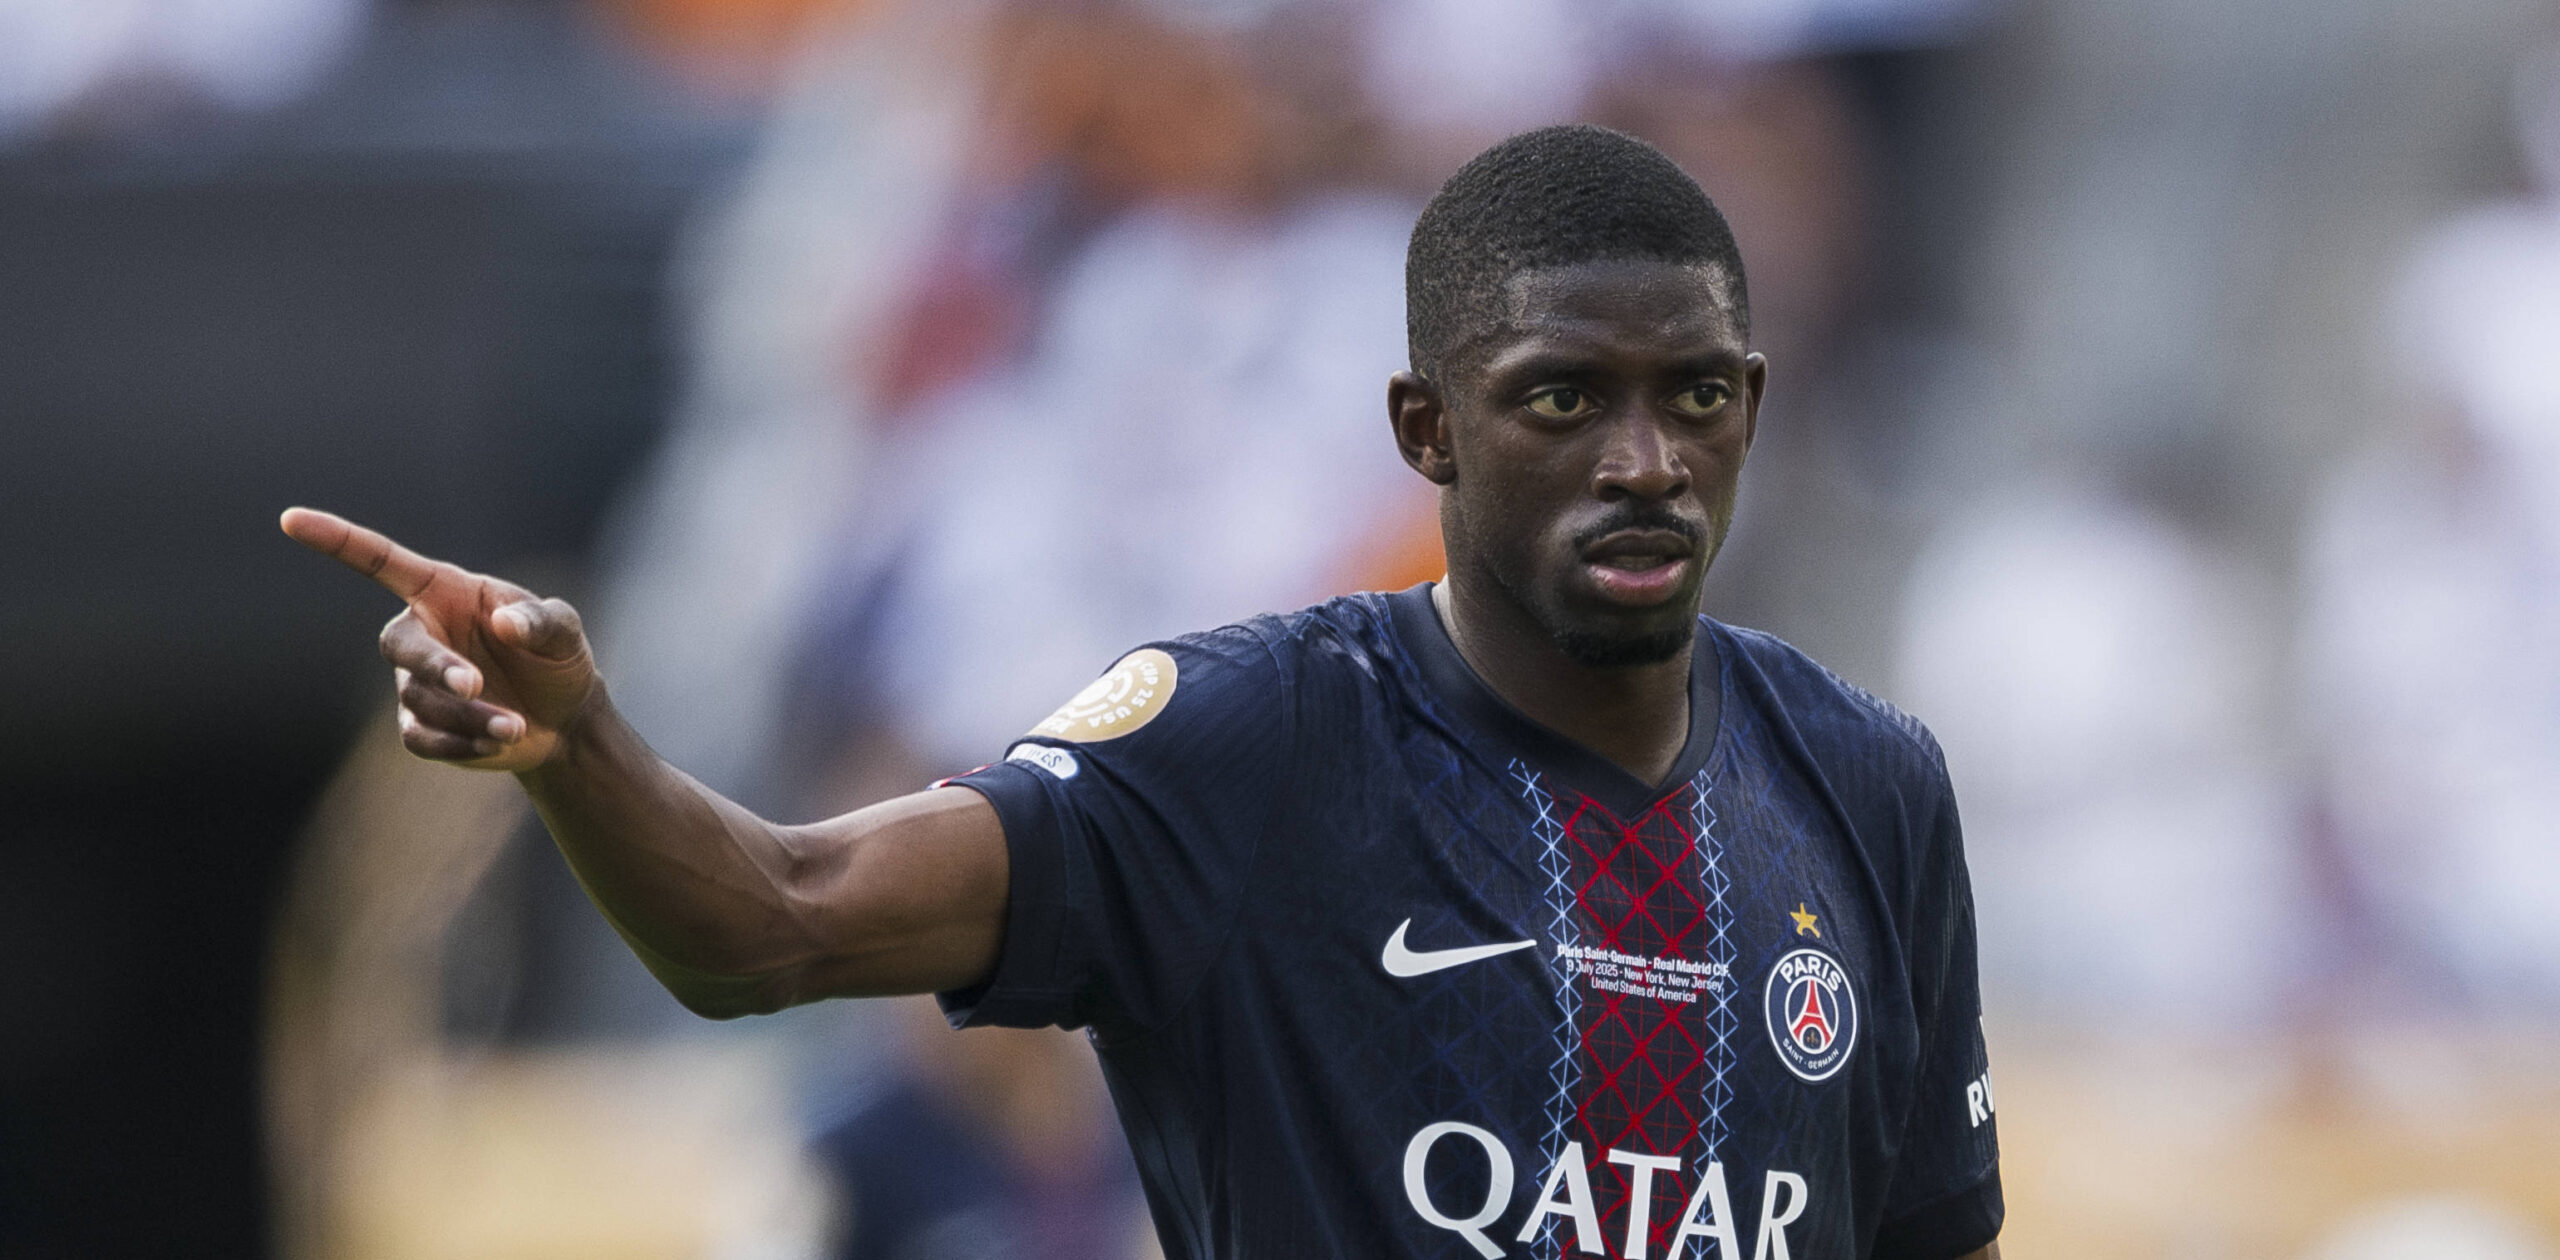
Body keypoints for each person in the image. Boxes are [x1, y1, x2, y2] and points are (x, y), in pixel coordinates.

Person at [283, 125, 2001, 1260]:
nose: (1645, 461)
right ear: (1427, 430)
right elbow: (772, 921)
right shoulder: (1256, 743)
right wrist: (578, 744)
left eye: (1697, 396)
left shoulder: (1870, 786)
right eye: (1564, 400)